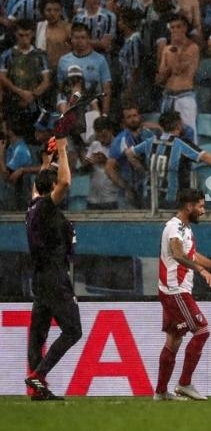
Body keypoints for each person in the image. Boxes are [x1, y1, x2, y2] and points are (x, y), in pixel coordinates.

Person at [153, 188, 211, 401]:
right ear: (189, 206)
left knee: (174, 340)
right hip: (175, 290)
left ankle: (160, 392)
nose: (203, 210)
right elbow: (177, 254)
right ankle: (184, 383)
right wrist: (201, 270)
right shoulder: (173, 227)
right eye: (200, 206)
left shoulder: (185, 229)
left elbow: (193, 255)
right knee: (202, 330)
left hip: (177, 289)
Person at [24, 114, 81, 401]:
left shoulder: (33, 206)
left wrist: (48, 159)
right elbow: (66, 183)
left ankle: (36, 391)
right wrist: (61, 147)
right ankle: (37, 376)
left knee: (39, 335)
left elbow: (42, 183)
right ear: (52, 190)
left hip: (40, 278)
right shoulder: (47, 208)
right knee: (73, 330)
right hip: (55, 278)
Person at [127, 111, 211, 208]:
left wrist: (142, 169)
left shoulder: (151, 141)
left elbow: (129, 153)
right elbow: (204, 156)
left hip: (149, 198)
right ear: (178, 125)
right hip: (172, 200)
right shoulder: (180, 144)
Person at [0, 19, 52, 145]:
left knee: (36, 141)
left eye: (27, 35)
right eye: (21, 35)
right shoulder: (7, 55)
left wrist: (32, 95)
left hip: (36, 105)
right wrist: (20, 92)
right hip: (14, 104)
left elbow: (46, 80)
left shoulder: (40, 55)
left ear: (32, 34)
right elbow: (2, 77)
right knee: (14, 141)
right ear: (15, 35)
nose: (24, 38)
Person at [156, 13, 200, 144]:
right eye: (172, 27)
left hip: (184, 97)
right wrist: (164, 72)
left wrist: (174, 49)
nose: (175, 30)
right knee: (166, 135)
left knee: (188, 133)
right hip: (168, 96)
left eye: (178, 27)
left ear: (185, 28)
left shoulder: (192, 48)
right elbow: (160, 76)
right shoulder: (167, 49)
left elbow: (178, 69)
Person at [57, 23, 113, 116]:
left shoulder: (100, 60)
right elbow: (61, 88)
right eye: (76, 38)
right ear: (71, 39)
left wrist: (104, 114)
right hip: (71, 108)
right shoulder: (63, 60)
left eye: (83, 38)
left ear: (88, 39)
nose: (79, 41)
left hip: (94, 107)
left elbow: (106, 89)